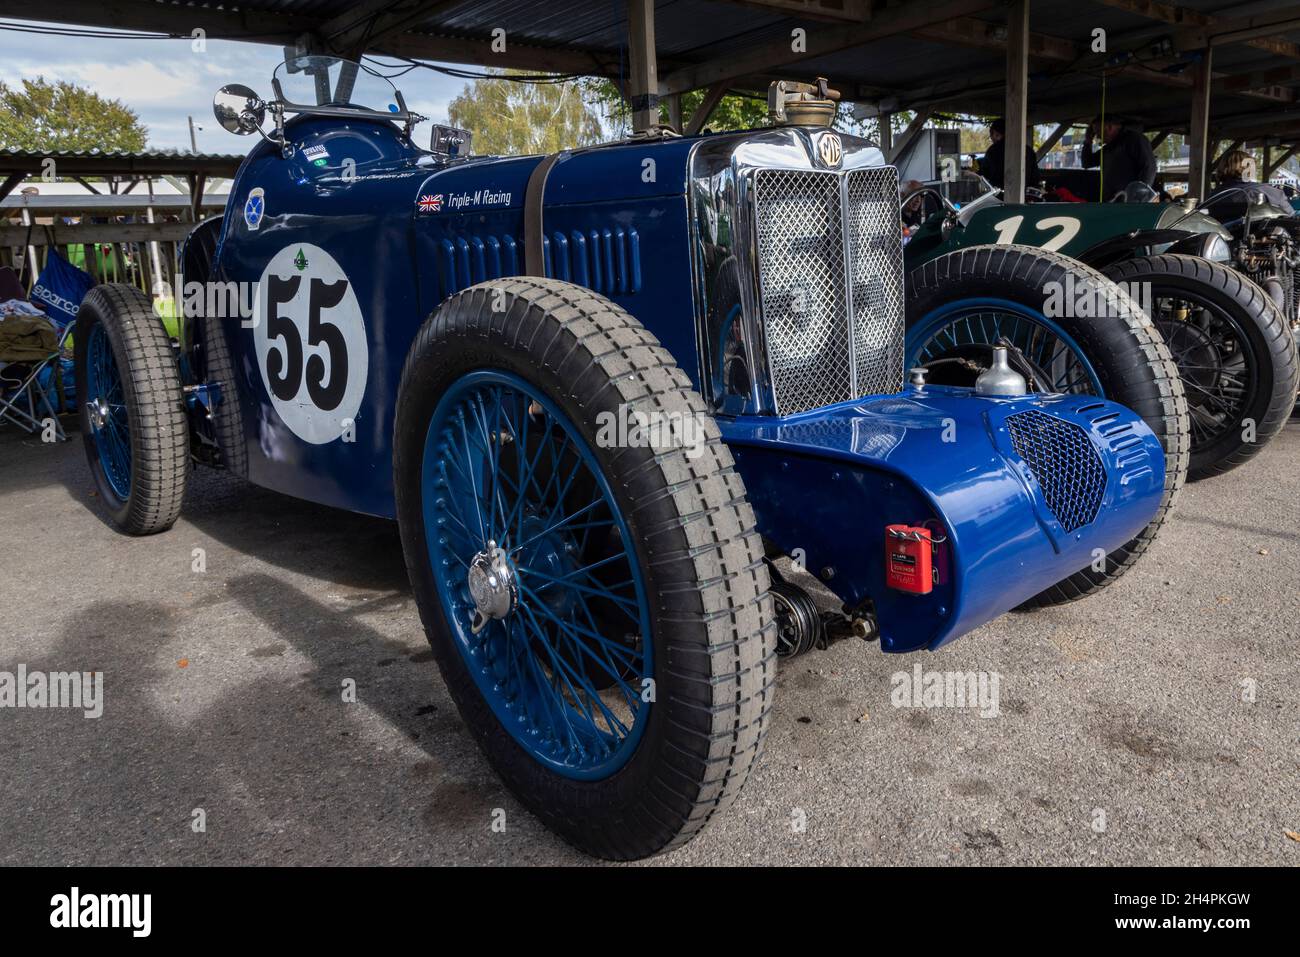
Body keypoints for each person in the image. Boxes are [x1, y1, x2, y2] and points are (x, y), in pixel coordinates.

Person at [1203, 150, 1292, 221]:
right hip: (1263, 240)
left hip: (1223, 241)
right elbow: (1291, 218)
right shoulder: (1269, 192)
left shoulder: (1213, 197)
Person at [1081, 115, 1157, 197]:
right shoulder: (1108, 148)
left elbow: (1149, 167)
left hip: (1129, 200)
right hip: (1112, 200)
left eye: (1098, 131)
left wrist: (1139, 195)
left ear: (1110, 127)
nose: (1098, 137)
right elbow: (1087, 163)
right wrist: (1088, 142)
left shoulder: (1135, 139)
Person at [978, 118, 1039, 191]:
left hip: (1000, 195)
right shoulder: (1028, 150)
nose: (991, 138)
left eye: (992, 134)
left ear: (997, 134)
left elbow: (985, 174)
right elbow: (1035, 177)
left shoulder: (993, 151)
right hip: (1025, 196)